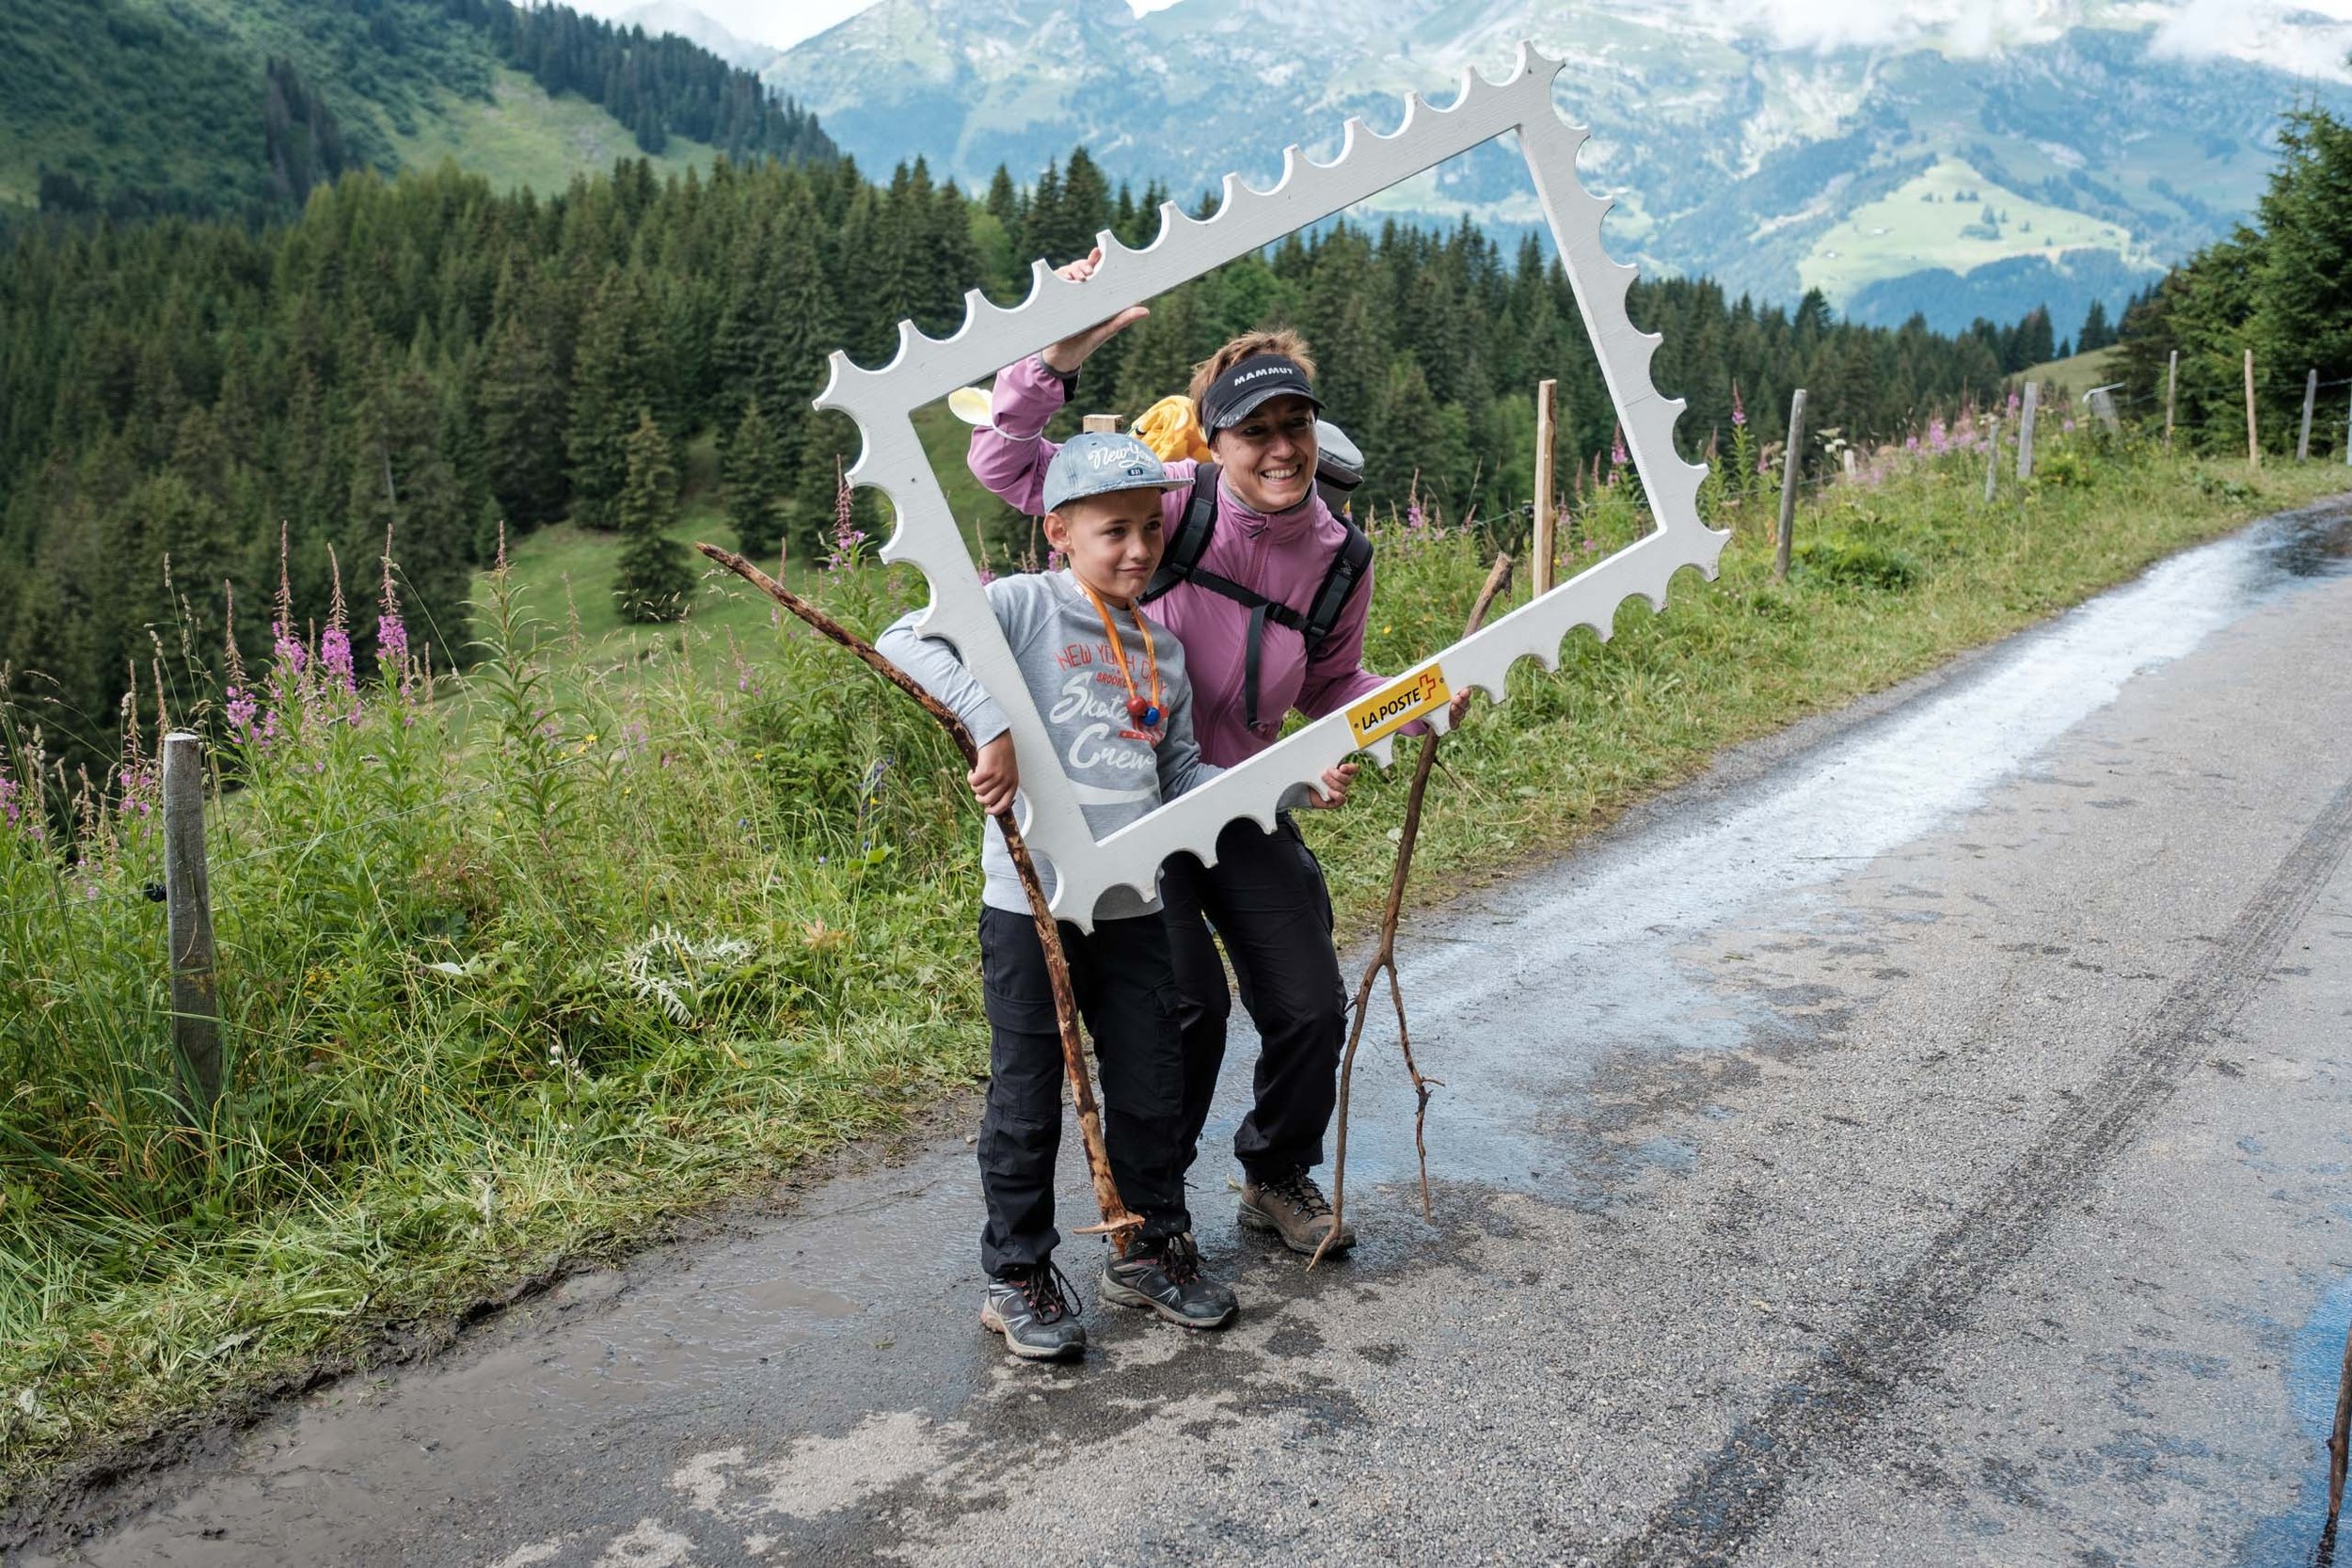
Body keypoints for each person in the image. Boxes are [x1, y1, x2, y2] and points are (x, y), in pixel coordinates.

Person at [968, 249, 1463, 1257]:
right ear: (1217, 439)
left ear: (1314, 432)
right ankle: (1154, 1208)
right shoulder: (1170, 502)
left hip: (1240, 797)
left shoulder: (1341, 559)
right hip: (1135, 808)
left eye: (1294, 424)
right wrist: (1055, 357)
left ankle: (1275, 1170)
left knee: (1308, 1001)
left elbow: (1332, 686)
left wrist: (1410, 706)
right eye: (1254, 430)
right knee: (1182, 1009)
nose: (1278, 447)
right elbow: (1009, 463)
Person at [879, 431, 1245, 1360]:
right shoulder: (1022, 608)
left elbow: (1181, 773)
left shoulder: (1159, 649)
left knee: (1151, 1082)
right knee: (1030, 1091)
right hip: (1027, 900)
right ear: (1059, 533)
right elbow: (899, 640)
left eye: (1148, 530)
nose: (1134, 549)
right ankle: (1018, 1271)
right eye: (1111, 530)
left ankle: (1149, 1244)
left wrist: (1277, 783)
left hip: (1131, 906)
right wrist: (988, 724)